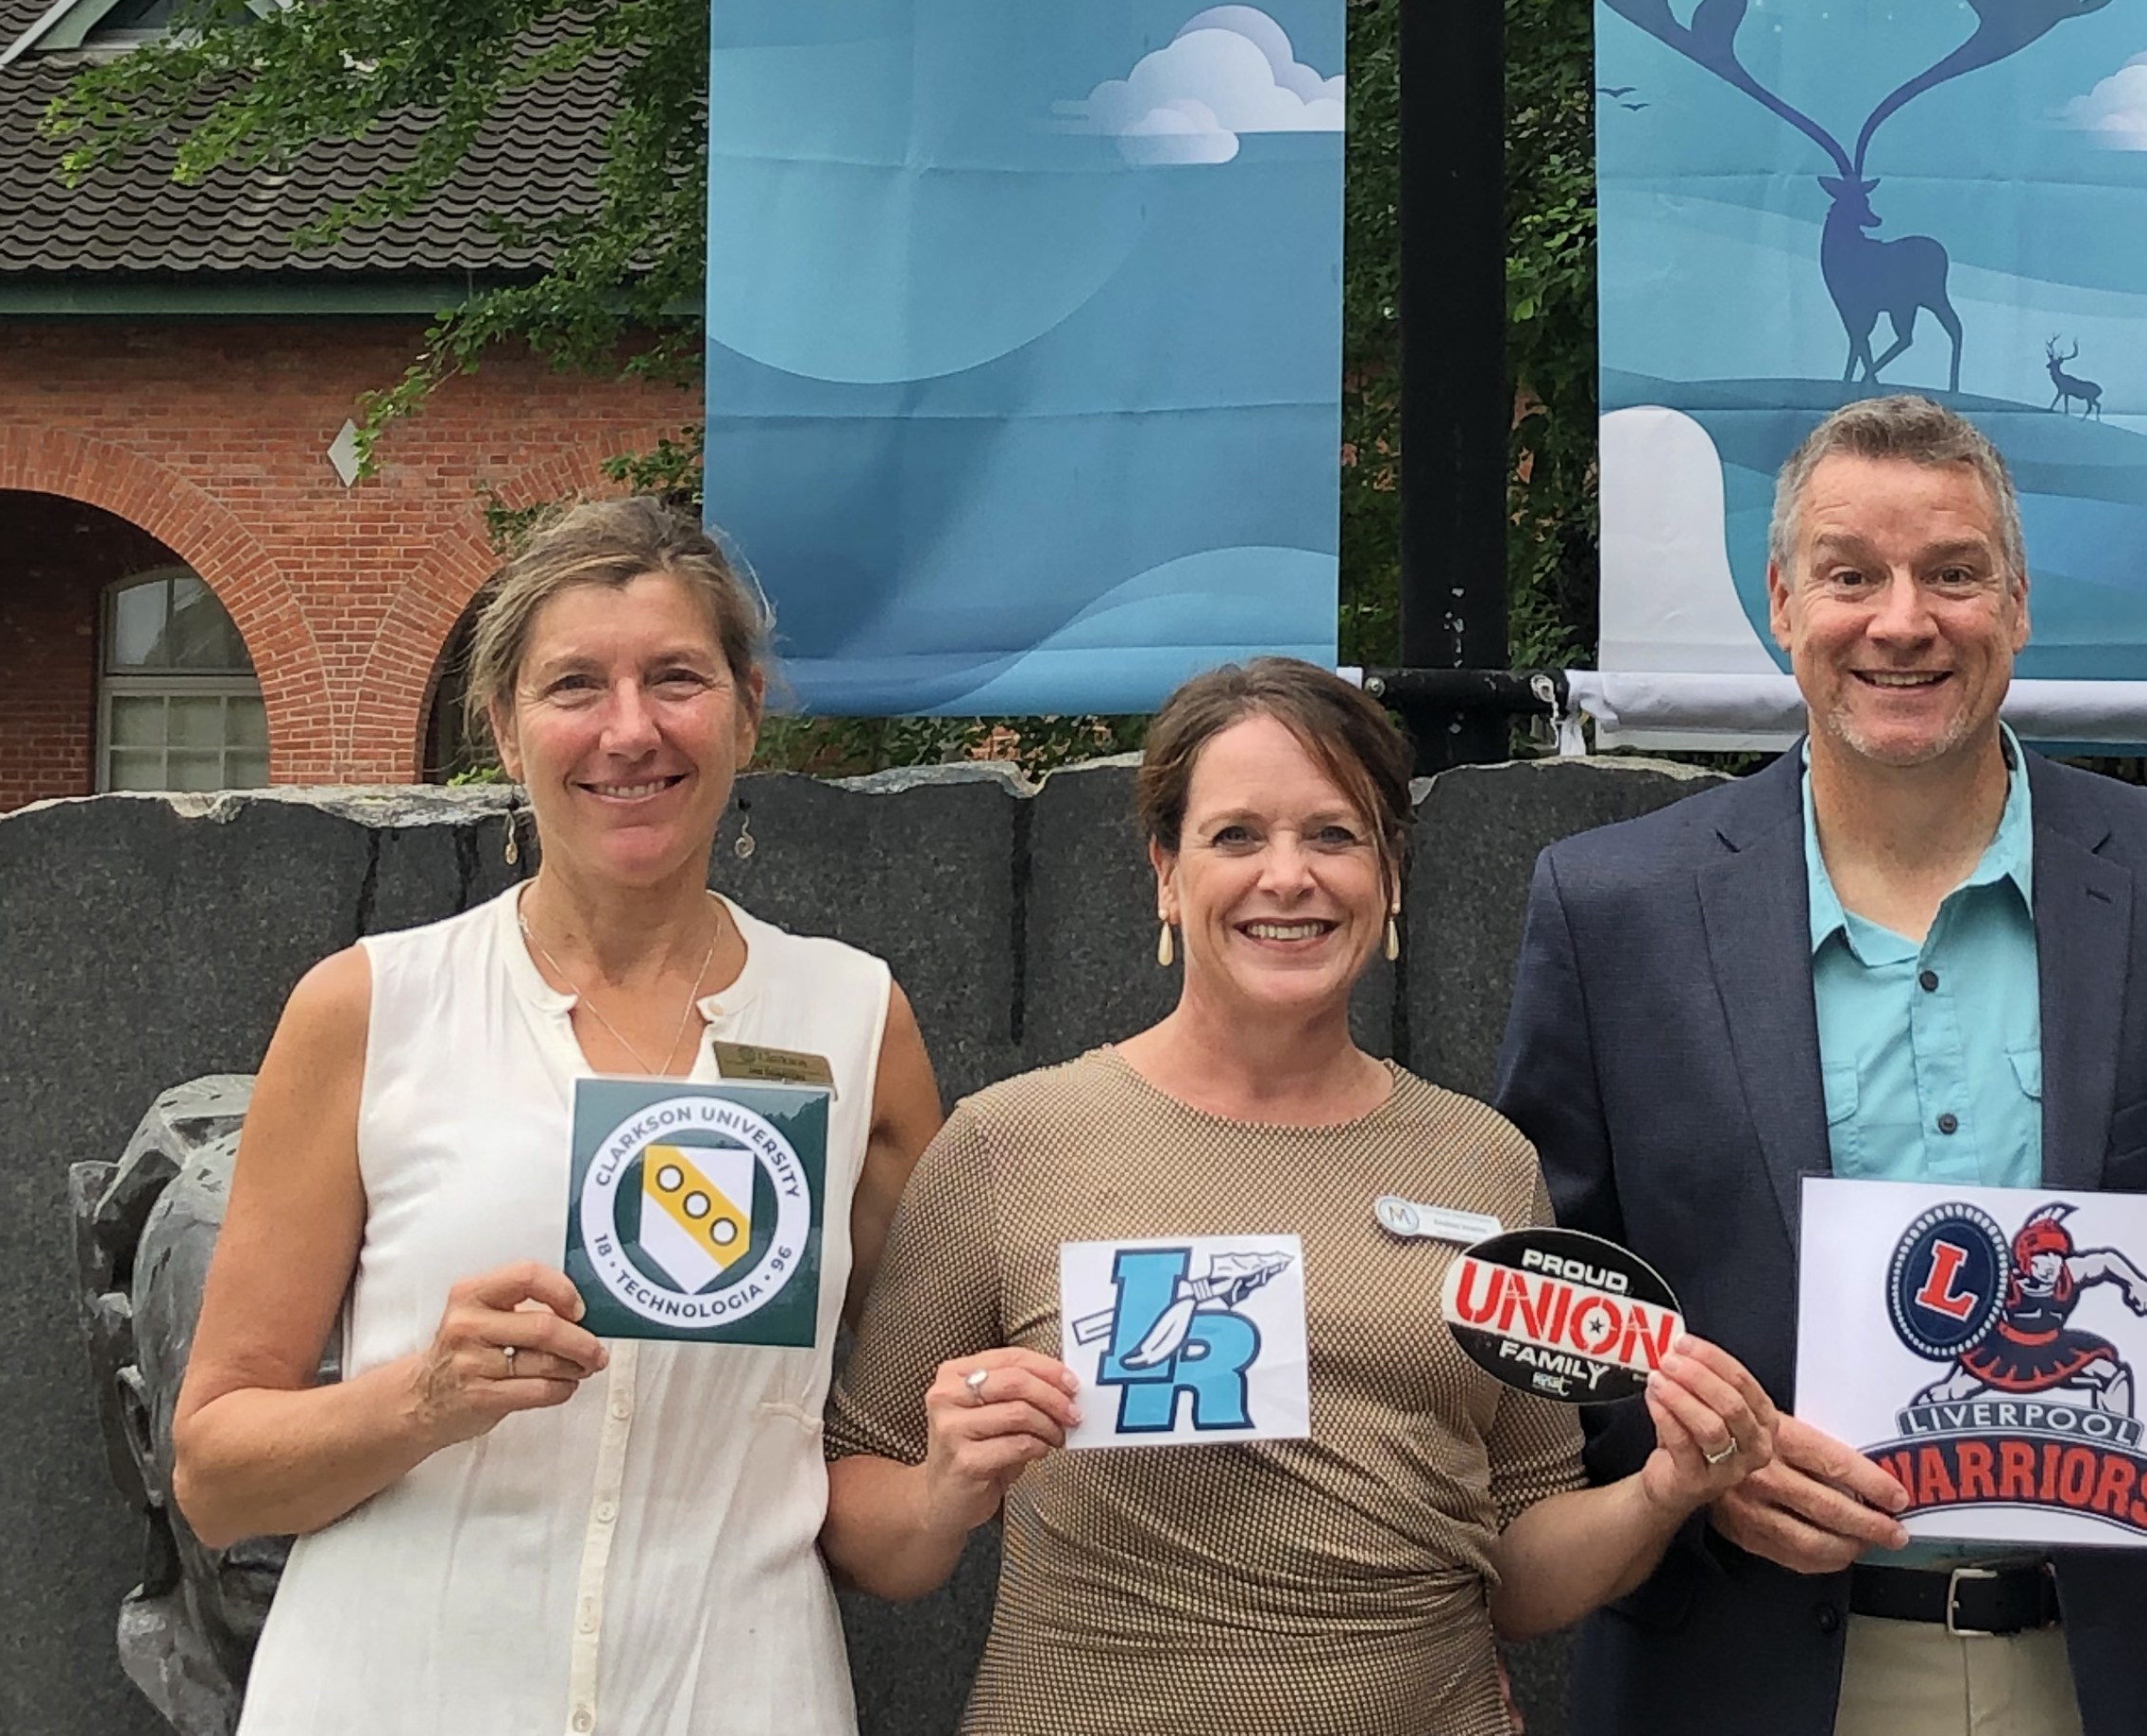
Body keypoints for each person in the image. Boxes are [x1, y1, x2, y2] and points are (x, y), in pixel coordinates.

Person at [1494, 394, 2147, 1736]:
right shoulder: (1612, 911)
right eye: (1852, 575)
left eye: (1952, 574)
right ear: (1783, 603)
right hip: (1746, 1674)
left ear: (2018, 603)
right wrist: (1689, 1470)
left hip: (2119, 1682)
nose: (1902, 622)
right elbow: (1555, 1312)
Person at [821, 656, 1781, 1735]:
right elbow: (861, 1530)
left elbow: (1516, 1573)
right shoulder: (1009, 1144)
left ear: (1393, 874)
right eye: (1236, 836)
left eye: (1334, 834)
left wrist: (1664, 1491)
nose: (1289, 877)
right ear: (1166, 876)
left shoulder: (1485, 1161)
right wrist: (947, 1485)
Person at [170, 496, 946, 1736]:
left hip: (734, 1696)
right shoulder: (371, 1007)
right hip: (397, 1694)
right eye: (575, 685)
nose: (629, 730)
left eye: (677, 678)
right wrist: (423, 1396)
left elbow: (913, 1420)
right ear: (504, 727)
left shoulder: (851, 1020)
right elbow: (212, 1476)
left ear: (747, 709)